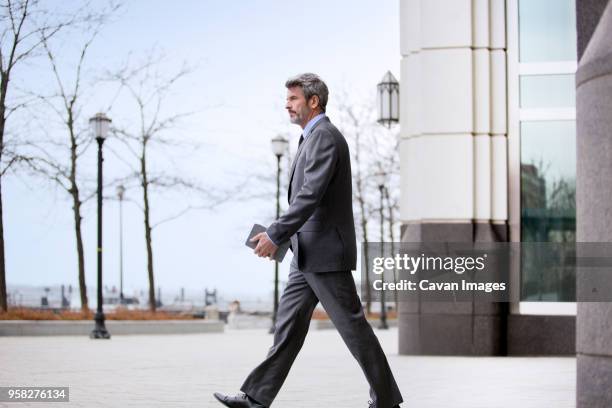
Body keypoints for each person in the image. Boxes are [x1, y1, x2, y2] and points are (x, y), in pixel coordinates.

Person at [213, 73, 403, 408]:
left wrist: (275, 234)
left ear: (313, 101)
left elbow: (309, 196)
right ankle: (255, 397)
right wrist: (276, 233)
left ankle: (386, 400)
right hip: (307, 255)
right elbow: (308, 199)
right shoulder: (310, 138)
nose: (286, 105)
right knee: (287, 330)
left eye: (293, 99)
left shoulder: (324, 137)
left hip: (326, 256)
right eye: (286, 99)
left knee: (354, 330)